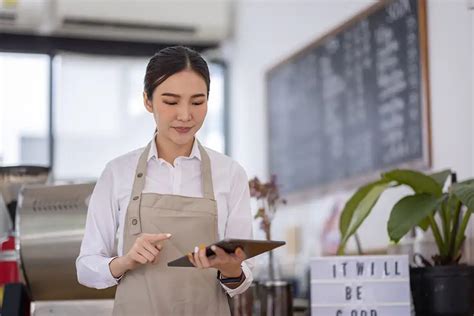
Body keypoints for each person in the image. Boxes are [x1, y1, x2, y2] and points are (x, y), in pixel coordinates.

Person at [76, 46, 254, 315]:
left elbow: (242, 279)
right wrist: (125, 261)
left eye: (197, 102)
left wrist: (231, 269)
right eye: (171, 102)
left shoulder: (230, 174)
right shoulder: (117, 173)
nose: (185, 115)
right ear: (148, 101)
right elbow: (86, 268)